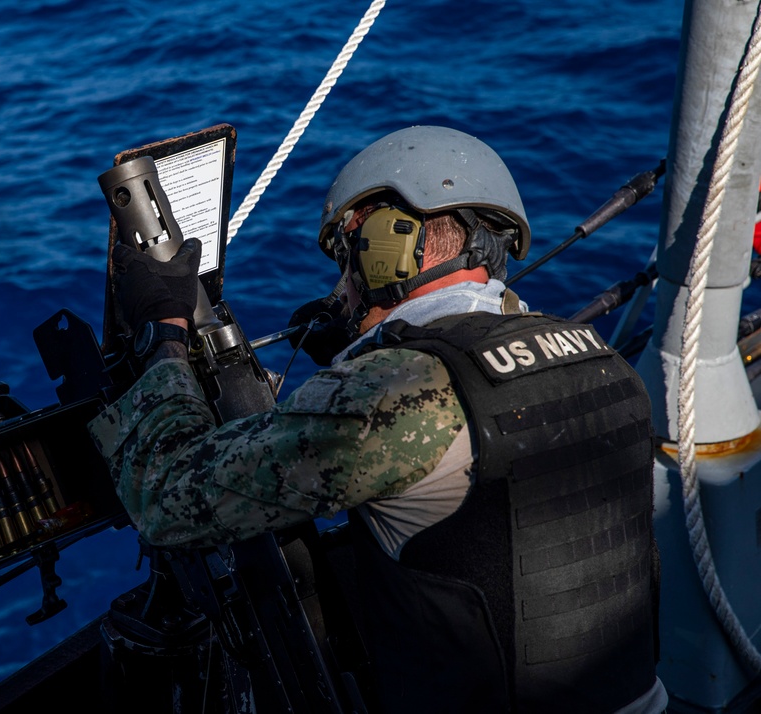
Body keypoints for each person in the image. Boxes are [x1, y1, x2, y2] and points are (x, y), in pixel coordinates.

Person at [88, 125, 667, 713]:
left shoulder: (391, 396)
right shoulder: (602, 361)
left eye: (348, 255)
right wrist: (368, 347)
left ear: (392, 243)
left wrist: (165, 331)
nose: (341, 286)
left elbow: (164, 496)